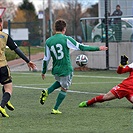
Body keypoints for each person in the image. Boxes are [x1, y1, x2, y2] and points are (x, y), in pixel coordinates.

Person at [40, 19, 108, 114]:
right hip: (66, 68)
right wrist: (98, 48)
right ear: (64, 29)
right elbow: (82, 47)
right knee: (64, 88)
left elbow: (46, 58)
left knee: (60, 81)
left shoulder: (48, 41)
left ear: (55, 29)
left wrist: (43, 71)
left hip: (55, 69)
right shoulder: (66, 39)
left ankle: (47, 91)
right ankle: (55, 108)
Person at [0, 18, 36, 118]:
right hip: (2, 67)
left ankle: (6, 101)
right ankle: (2, 106)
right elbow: (16, 50)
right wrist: (28, 61)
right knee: (8, 88)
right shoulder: (4, 36)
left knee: (5, 85)